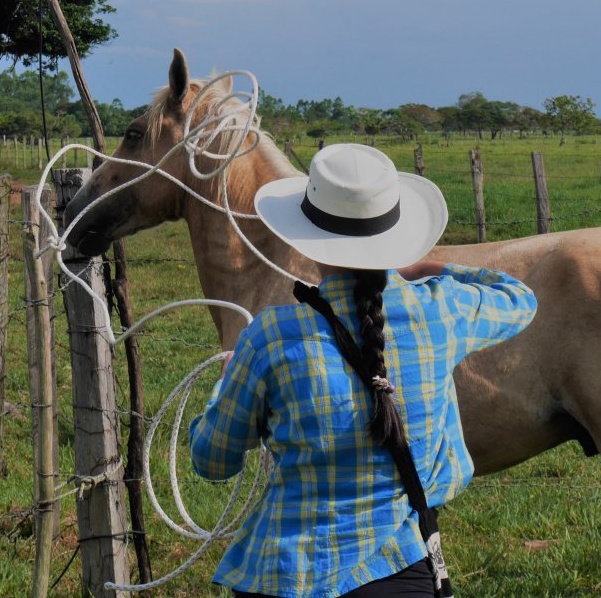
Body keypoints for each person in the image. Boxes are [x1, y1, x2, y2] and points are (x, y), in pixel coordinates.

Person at [189, 143, 537, 598]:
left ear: (305, 238)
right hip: (401, 568)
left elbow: (212, 461)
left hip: (286, 574)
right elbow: (518, 297)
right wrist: (428, 269)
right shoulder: (442, 309)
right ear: (394, 234)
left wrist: (223, 385)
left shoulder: (271, 336)